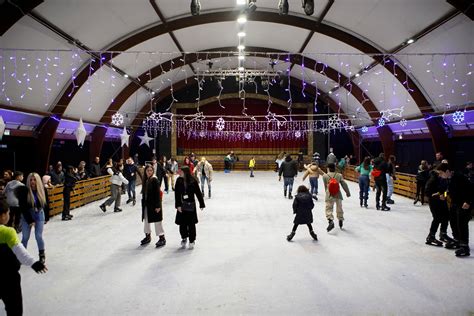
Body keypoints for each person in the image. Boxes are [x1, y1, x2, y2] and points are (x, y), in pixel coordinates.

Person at [0, 198, 47, 316]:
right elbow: (20, 252)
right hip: (8, 278)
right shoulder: (7, 232)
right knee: (14, 308)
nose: (9, 215)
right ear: (2, 215)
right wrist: (34, 263)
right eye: (8, 213)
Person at [19, 173, 49, 264]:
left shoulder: (42, 189)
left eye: (34, 180)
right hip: (27, 215)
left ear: (38, 181)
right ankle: (22, 256)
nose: (32, 182)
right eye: (31, 180)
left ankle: (42, 255)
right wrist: (30, 220)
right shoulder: (25, 190)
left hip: (39, 214)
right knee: (25, 237)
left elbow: (46, 203)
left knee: (38, 236)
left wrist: (47, 217)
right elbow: (23, 207)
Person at [424, 163, 455, 247]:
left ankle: (443, 234)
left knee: (446, 216)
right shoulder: (434, 179)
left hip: (442, 200)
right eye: (440, 173)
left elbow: (445, 191)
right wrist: (438, 196)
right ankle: (431, 236)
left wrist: (444, 196)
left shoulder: (446, 178)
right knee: (437, 218)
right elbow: (427, 192)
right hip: (434, 201)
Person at [174, 166, 205, 249]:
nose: (179, 172)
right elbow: (176, 194)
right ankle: (184, 238)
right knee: (182, 224)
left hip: (191, 206)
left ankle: (192, 240)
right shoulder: (178, 180)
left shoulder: (193, 181)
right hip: (182, 205)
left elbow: (198, 193)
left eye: (181, 171)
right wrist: (178, 205)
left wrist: (201, 204)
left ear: (186, 172)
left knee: (191, 224)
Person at [446, 165, 473, 257]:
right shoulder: (449, 178)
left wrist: (468, 201)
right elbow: (449, 190)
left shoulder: (460, 177)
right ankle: (457, 240)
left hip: (464, 204)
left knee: (462, 224)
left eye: (441, 173)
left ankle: (465, 246)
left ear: (447, 171)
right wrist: (444, 194)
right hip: (455, 203)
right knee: (453, 222)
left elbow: (471, 189)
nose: (440, 175)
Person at [139, 164, 166, 248]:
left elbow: (158, 194)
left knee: (157, 222)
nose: (149, 172)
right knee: (146, 221)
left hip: (155, 205)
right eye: (148, 170)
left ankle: (162, 238)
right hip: (147, 205)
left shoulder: (154, 180)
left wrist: (158, 206)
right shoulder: (146, 179)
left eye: (151, 170)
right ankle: (148, 236)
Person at [322, 163, 350, 231]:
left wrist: (327, 192)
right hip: (338, 194)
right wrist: (347, 192)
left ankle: (330, 221)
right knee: (339, 208)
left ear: (328, 168)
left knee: (329, 208)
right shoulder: (339, 175)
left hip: (329, 194)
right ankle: (340, 219)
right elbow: (344, 184)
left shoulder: (325, 176)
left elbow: (325, 186)